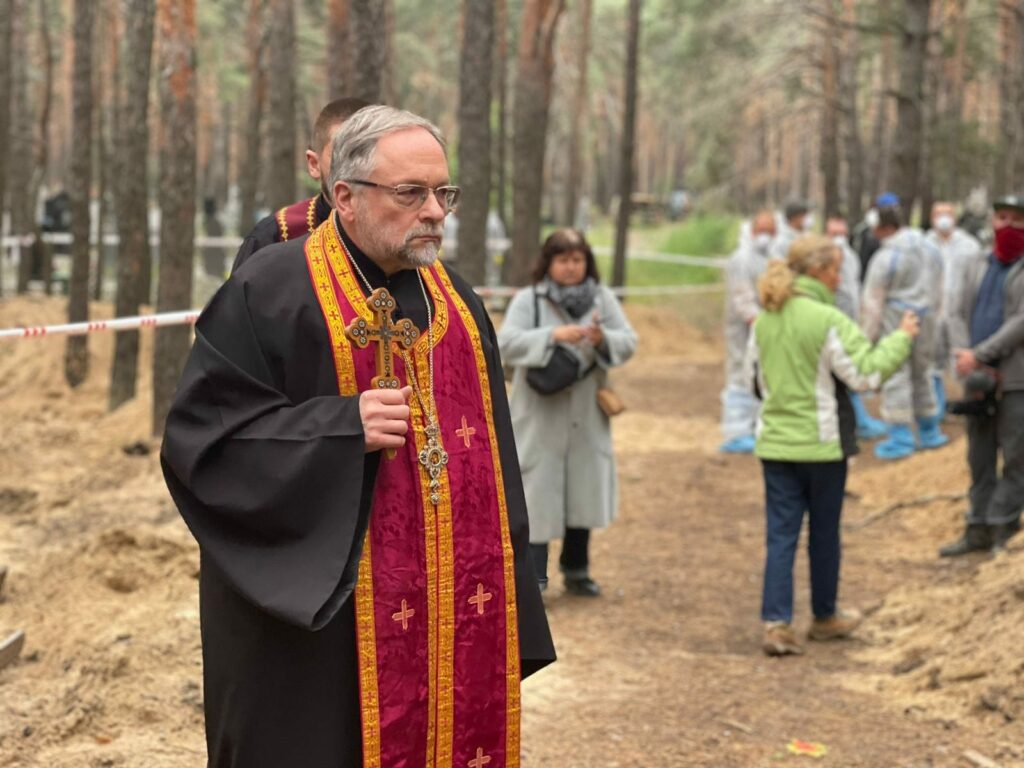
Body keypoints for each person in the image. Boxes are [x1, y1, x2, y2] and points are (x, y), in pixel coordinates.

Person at [161, 105, 555, 766]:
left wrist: (514, 591)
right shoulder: (272, 289)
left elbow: (493, 459)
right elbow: (203, 444)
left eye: (443, 192)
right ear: (345, 197)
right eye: (411, 194)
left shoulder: (455, 302)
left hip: (449, 608)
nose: (434, 211)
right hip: (320, 616)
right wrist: (340, 426)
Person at [746, 235, 919, 656]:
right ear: (819, 272)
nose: (841, 278)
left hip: (775, 446)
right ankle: (824, 617)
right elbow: (866, 376)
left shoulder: (764, 319)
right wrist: (902, 338)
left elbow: (755, 382)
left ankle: (777, 623)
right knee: (824, 533)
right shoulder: (828, 319)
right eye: (837, 270)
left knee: (781, 535)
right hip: (823, 448)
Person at [497, 229, 637, 597]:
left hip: (586, 414)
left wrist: (601, 339)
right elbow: (506, 343)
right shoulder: (530, 300)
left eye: (577, 260)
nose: (571, 267)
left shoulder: (602, 299)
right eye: (563, 260)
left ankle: (577, 569)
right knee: (537, 495)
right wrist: (552, 336)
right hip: (540, 414)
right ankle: (534, 579)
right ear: (549, 263)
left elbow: (629, 341)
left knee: (582, 489)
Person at [939, 194, 1024, 556]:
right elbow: (954, 311)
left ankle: (1003, 526)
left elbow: (1021, 321)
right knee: (979, 454)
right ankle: (977, 528)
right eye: (1001, 217)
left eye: (1016, 219)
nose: (1007, 225)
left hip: (1016, 378)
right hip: (976, 378)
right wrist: (964, 355)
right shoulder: (975, 263)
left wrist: (981, 353)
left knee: (1016, 454)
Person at [231, 96, 372, 272]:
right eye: (341, 154)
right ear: (314, 164)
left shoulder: (407, 231)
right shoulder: (276, 236)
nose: (356, 167)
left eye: (368, 154)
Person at [860, 205, 947, 459]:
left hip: (896, 318)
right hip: (928, 316)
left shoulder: (885, 257)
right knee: (923, 372)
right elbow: (941, 288)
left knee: (896, 373)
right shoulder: (930, 248)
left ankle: (901, 436)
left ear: (880, 227)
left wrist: (867, 338)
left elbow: (873, 303)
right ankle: (929, 430)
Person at [719, 210, 777, 453]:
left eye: (770, 230)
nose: (765, 235)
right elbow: (741, 295)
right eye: (761, 230)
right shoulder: (741, 259)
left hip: (763, 328)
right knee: (740, 371)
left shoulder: (771, 256)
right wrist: (756, 320)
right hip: (743, 328)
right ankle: (735, 431)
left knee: (758, 374)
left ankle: (753, 425)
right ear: (752, 231)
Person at [826, 215, 887, 440]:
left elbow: (854, 288)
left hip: (849, 323)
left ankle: (858, 419)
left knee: (850, 371)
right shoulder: (821, 261)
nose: (839, 239)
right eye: (833, 234)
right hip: (830, 326)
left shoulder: (850, 257)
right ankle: (852, 422)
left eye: (842, 234)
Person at [925, 201, 984, 415]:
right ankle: (935, 406)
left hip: (960, 314)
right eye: (938, 214)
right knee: (931, 362)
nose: (943, 218)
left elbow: (977, 282)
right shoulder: (924, 244)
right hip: (932, 314)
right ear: (932, 218)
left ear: (955, 218)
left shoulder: (970, 246)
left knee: (964, 358)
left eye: (947, 214)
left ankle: (972, 402)